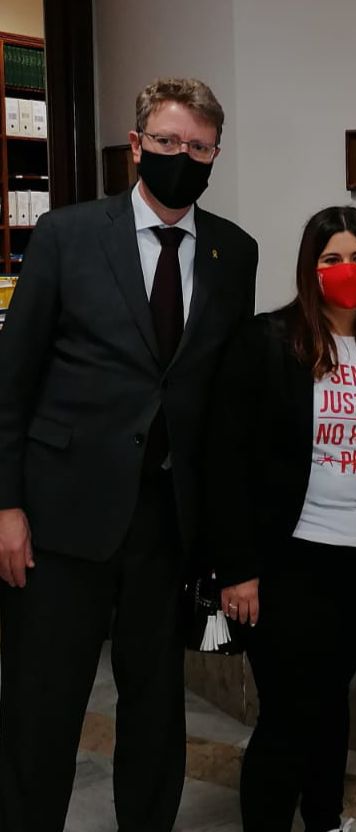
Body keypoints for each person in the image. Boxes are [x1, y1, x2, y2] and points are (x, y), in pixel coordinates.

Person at [0, 78, 257, 831]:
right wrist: (6, 505)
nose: (184, 156)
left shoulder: (233, 252)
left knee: (155, 708)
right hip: (59, 519)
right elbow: (12, 382)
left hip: (167, 524)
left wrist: (227, 541)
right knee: (43, 707)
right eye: (169, 141)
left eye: (200, 147)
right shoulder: (68, 234)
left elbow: (224, 402)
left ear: (216, 155)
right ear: (137, 146)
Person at [204, 206, 356, 831]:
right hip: (289, 562)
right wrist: (238, 568)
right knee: (288, 712)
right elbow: (226, 459)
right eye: (332, 259)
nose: (347, 270)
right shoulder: (269, 341)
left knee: (330, 701)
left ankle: (325, 819)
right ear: (311, 268)